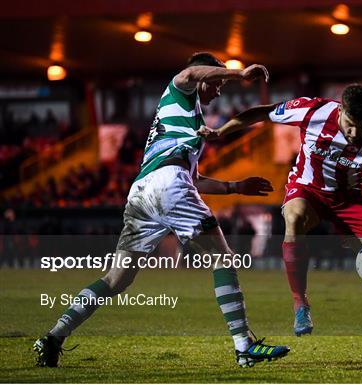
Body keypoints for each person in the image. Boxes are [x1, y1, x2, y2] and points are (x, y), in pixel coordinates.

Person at [33, 52, 289, 369]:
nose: (220, 89)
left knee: (116, 280)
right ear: (204, 76)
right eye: (218, 82)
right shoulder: (179, 90)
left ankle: (53, 337)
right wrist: (240, 73)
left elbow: (194, 179)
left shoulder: (186, 119)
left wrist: (235, 187)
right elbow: (188, 74)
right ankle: (243, 344)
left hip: (143, 192)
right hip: (167, 184)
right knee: (222, 258)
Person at [199, 85, 362, 369]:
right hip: (307, 190)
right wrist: (221, 133)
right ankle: (301, 304)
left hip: (349, 200)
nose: (355, 133)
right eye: (349, 124)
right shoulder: (314, 110)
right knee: (293, 217)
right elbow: (263, 113)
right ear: (340, 110)